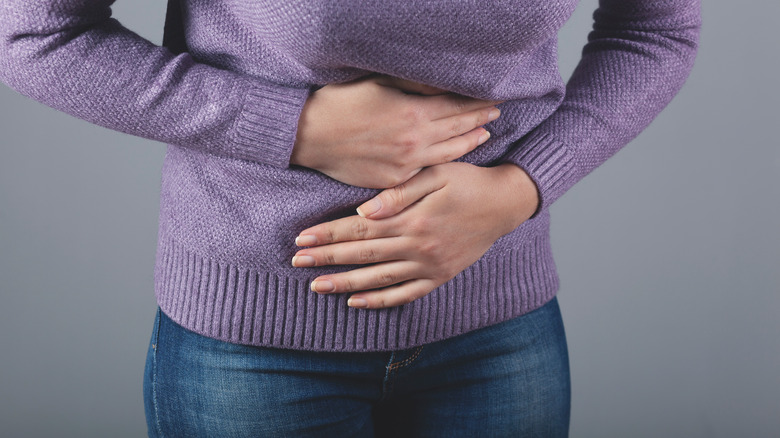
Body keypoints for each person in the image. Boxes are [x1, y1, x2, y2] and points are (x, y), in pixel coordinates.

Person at [0, 0, 701, 436]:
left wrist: (523, 187)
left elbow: (658, 29)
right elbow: (34, 33)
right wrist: (297, 127)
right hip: (254, 348)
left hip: (499, 334)